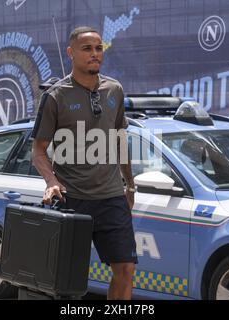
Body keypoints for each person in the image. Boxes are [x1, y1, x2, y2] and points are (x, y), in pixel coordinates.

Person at [31, 26, 137, 300]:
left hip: (111, 197)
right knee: (67, 281)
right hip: (72, 200)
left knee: (125, 270)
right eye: (87, 48)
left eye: (99, 48)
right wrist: (51, 182)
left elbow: (120, 140)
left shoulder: (115, 90)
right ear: (71, 53)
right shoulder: (55, 96)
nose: (94, 54)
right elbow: (39, 150)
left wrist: (130, 186)